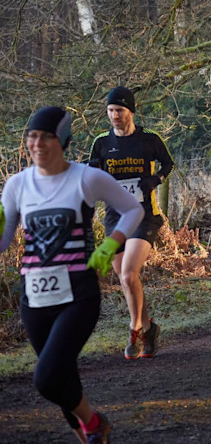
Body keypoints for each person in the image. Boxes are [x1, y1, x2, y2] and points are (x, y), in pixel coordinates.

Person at [1, 106, 144, 444]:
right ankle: (93, 435)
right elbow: (4, 239)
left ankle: (94, 423)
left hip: (77, 294)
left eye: (46, 136)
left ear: (62, 140)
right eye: (32, 136)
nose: (37, 143)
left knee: (47, 378)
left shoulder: (86, 178)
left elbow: (133, 209)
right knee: (62, 376)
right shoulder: (17, 184)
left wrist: (110, 245)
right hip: (33, 296)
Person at [88, 86, 174, 360]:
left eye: (120, 110)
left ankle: (134, 330)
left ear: (131, 112)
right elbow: (93, 174)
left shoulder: (149, 139)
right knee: (128, 279)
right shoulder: (101, 142)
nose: (114, 115)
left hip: (144, 215)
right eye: (111, 110)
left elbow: (168, 164)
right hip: (115, 217)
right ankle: (149, 328)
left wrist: (155, 180)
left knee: (127, 273)